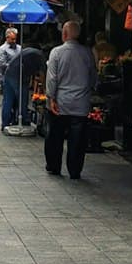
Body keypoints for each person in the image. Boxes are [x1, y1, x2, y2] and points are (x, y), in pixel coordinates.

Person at [44, 19, 98, 179]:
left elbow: (52, 78)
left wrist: (51, 97)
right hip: (81, 103)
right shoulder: (87, 53)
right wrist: (88, 91)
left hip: (60, 102)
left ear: (65, 34)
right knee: (78, 140)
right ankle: (75, 170)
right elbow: (93, 77)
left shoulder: (56, 52)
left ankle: (54, 166)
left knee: (55, 136)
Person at [0, 29, 22, 128]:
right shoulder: (2, 49)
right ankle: (5, 123)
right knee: (8, 101)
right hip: (7, 78)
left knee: (17, 101)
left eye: (15, 39)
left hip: (18, 78)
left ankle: (15, 120)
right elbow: (2, 64)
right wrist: (14, 66)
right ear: (7, 38)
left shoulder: (19, 48)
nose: (14, 41)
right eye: (12, 39)